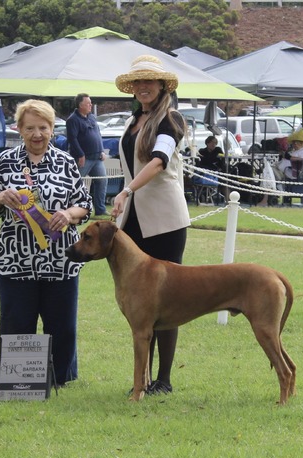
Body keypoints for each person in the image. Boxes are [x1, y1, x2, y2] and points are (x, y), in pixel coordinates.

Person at [0, 99, 93, 388]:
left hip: (60, 261)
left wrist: (68, 214)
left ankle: (59, 379)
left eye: (43, 128)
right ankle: (20, 382)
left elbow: (84, 203)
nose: (37, 134)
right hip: (15, 260)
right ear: (18, 128)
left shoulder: (66, 162)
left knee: (62, 325)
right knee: (17, 322)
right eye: (29, 128)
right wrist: (0, 197)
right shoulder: (3, 161)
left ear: (52, 128)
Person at [112, 55, 191, 395]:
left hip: (164, 220)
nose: (143, 86)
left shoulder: (170, 119)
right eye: (138, 81)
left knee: (167, 300)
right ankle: (141, 379)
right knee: (138, 301)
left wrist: (127, 190)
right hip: (132, 220)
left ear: (162, 86)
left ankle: (164, 379)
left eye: (150, 81)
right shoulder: (134, 120)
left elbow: (159, 161)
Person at [66, 93, 109, 216]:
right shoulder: (72, 120)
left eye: (90, 103)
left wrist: (102, 150)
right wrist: (80, 155)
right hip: (83, 159)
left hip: (97, 158)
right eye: (88, 103)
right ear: (80, 105)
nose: (91, 105)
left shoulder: (92, 117)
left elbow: (98, 134)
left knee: (102, 181)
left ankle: (100, 210)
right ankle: (70, 208)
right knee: (76, 183)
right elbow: (72, 139)